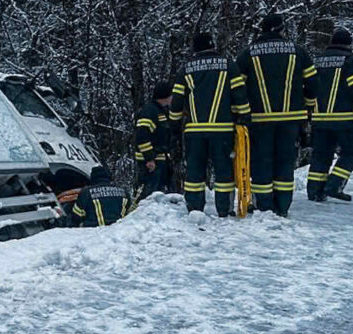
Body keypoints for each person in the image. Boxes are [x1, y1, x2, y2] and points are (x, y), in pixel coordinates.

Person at [238, 13, 317, 217]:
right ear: (281, 29)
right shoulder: (298, 52)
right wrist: (308, 109)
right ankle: (282, 205)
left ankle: (264, 205)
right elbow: (313, 84)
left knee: (262, 160)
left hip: (259, 119)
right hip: (291, 119)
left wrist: (241, 112)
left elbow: (236, 86)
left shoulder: (248, 54)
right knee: (285, 160)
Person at [170, 31, 250, 217]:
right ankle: (224, 209)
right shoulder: (228, 66)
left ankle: (194, 208)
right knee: (223, 172)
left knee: (195, 172)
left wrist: (174, 125)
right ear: (213, 45)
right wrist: (244, 117)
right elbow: (240, 93)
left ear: (195, 49)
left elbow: (177, 101)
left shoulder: (186, 69)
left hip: (194, 131)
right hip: (222, 129)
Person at [308, 27, 353, 202]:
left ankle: (314, 191)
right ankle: (334, 185)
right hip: (344, 119)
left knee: (321, 154)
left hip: (319, 119)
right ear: (349, 44)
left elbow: (307, 88)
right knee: (352, 153)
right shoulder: (351, 61)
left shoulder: (317, 61)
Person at [134, 84, 176, 200]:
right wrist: (149, 158)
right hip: (151, 163)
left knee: (159, 197)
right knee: (148, 197)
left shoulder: (160, 111)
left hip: (160, 160)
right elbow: (142, 136)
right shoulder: (150, 111)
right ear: (165, 96)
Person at [67, 167, 132, 227]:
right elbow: (131, 213)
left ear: (93, 177)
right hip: (119, 233)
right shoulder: (123, 191)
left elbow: (77, 216)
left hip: (95, 233)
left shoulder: (87, 192)